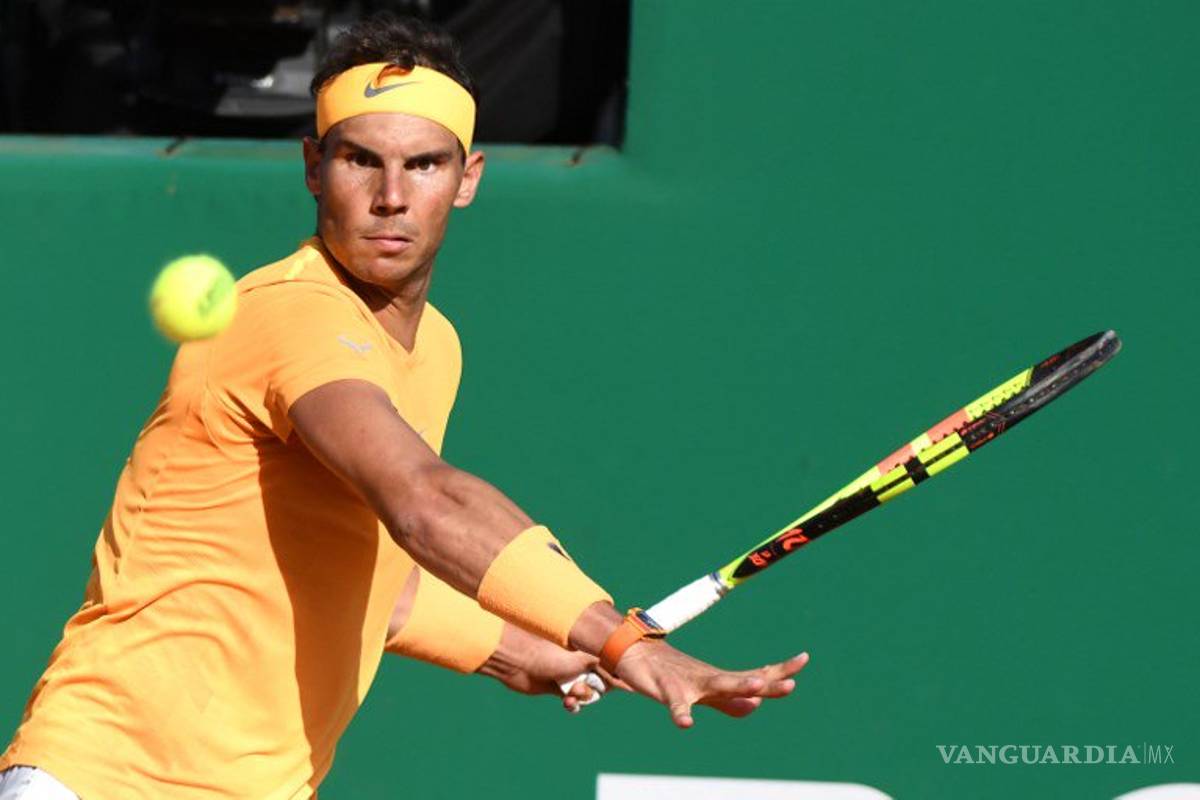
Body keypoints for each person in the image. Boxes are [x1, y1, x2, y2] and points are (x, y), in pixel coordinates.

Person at [0, 13, 808, 799]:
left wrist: (526, 647)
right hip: (101, 777)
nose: (391, 196)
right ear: (314, 167)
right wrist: (617, 636)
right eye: (361, 161)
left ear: (469, 179)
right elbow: (423, 503)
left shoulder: (438, 348)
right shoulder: (291, 312)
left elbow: (381, 582)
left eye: (423, 164)